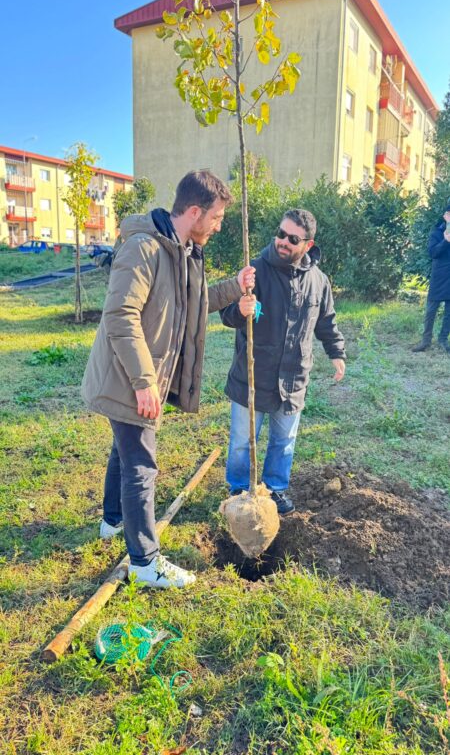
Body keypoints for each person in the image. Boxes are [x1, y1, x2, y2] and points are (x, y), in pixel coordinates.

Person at [82, 170, 255, 589]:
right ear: (193, 211)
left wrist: (235, 287)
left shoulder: (183, 251)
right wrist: (144, 382)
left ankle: (113, 522)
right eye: (215, 217)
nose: (218, 225)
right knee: (141, 465)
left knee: (124, 452)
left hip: (141, 375)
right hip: (129, 376)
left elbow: (196, 304)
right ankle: (145, 562)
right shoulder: (143, 249)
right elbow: (120, 316)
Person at [220, 208, 346, 515]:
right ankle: (238, 489)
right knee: (241, 441)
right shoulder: (255, 272)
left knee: (284, 440)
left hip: (294, 378)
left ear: (308, 244)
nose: (283, 242)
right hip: (253, 375)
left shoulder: (318, 281)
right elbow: (227, 314)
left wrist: (336, 352)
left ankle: (274, 488)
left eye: (292, 238)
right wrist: (241, 309)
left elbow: (326, 321)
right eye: (280, 234)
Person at [412, 202, 450, 354]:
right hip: (439, 276)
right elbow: (433, 253)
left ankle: (443, 339)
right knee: (431, 310)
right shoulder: (436, 232)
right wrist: (445, 241)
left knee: (449, 313)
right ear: (445, 216)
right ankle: (425, 340)